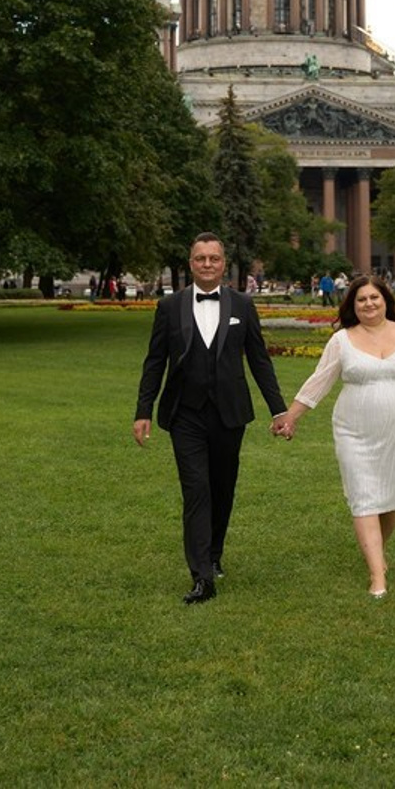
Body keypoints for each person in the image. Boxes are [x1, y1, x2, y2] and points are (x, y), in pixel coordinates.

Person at [133, 232, 290, 604]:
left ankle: (214, 554)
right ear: (191, 264)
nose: (207, 264)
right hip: (184, 413)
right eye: (200, 258)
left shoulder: (242, 304)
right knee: (196, 490)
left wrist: (278, 409)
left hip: (229, 413)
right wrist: (143, 411)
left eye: (214, 259)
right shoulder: (169, 307)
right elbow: (155, 361)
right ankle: (202, 575)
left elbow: (259, 360)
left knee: (222, 489)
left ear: (223, 264)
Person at [276, 275, 395, 599]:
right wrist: (290, 418)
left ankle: (377, 552)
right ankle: (377, 574)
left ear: (386, 300)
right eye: (361, 299)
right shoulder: (342, 341)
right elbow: (318, 382)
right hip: (354, 432)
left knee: (391, 502)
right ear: (352, 305)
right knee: (364, 497)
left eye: (374, 298)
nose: (368, 304)